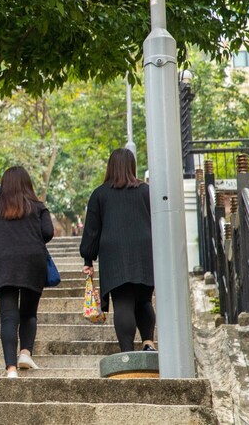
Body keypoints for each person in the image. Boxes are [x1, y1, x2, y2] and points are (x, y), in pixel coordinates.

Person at [0, 166, 54, 378]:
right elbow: (48, 232)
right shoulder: (37, 207)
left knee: (8, 317)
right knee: (29, 313)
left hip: (3, 267)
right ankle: (25, 353)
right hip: (32, 263)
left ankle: (11, 368)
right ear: (27, 184)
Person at [79, 148, 156, 353]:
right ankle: (148, 342)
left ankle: (127, 351)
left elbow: (92, 230)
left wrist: (88, 258)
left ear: (110, 166)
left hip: (114, 254)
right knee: (144, 300)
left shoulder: (100, 194)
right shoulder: (146, 191)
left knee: (122, 301)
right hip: (144, 251)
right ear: (132, 166)